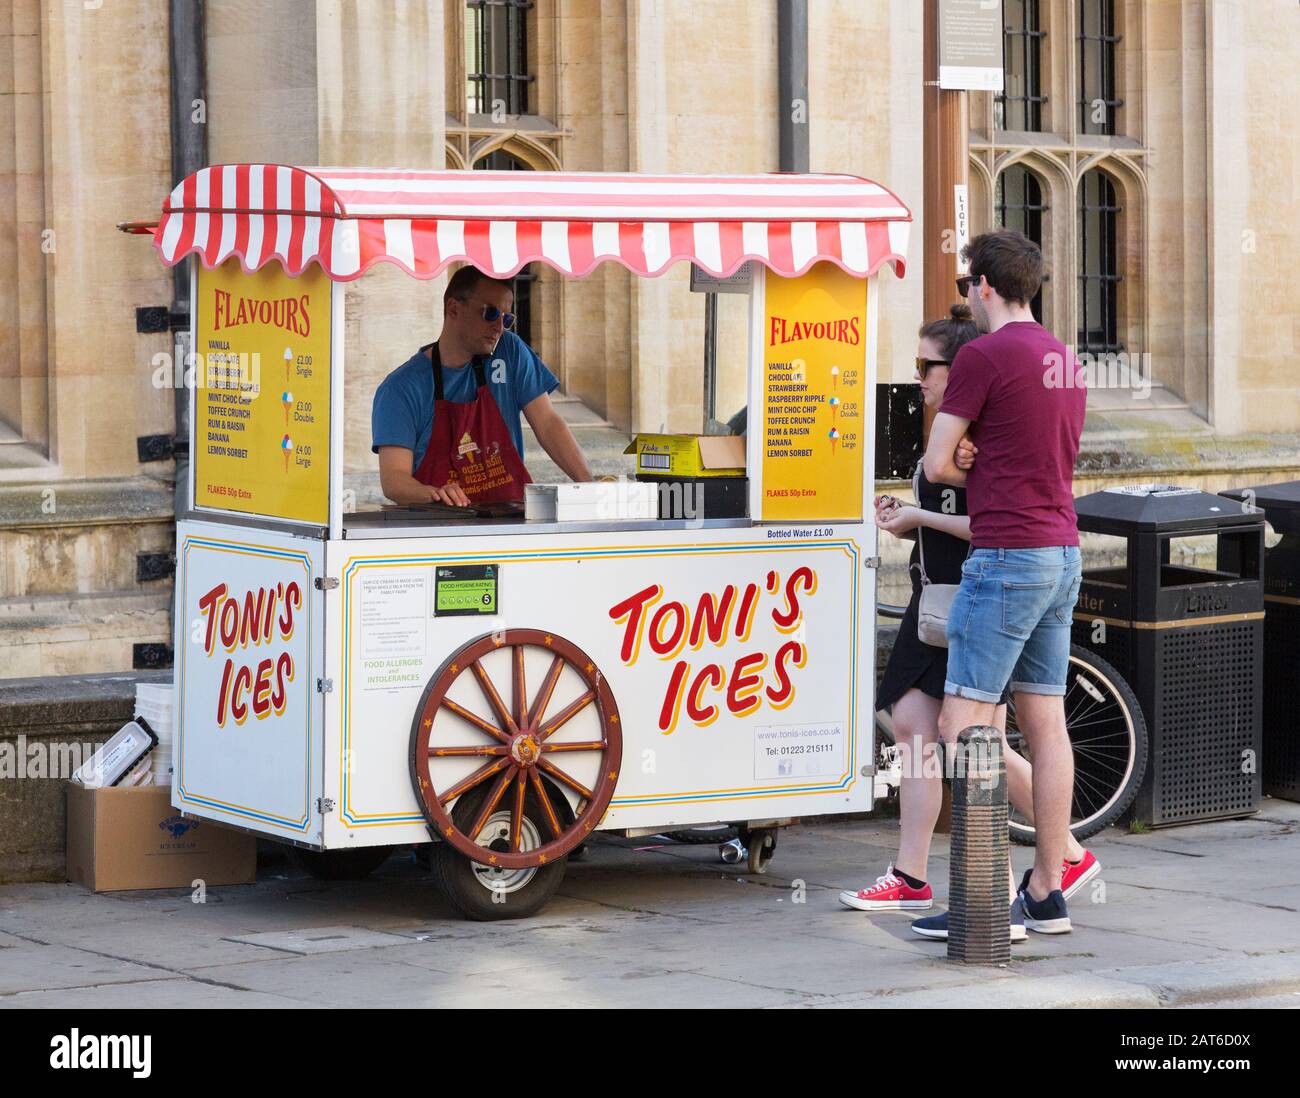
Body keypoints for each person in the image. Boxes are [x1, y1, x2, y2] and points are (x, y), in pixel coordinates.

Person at [838, 305, 1098, 941]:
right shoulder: (968, 423)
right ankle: (977, 880)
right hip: (953, 589)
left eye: (926, 365)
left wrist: (920, 517)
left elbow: (989, 516)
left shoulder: (983, 428)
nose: (917, 378)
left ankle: (1025, 876)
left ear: (961, 370)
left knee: (970, 731)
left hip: (978, 589)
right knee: (924, 725)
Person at [914, 229, 1088, 939]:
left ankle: (983, 901)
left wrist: (968, 460)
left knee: (962, 724)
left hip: (1006, 554)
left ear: (983, 285)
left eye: (967, 286)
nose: (968, 298)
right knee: (1046, 725)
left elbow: (937, 465)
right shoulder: (1066, 360)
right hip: (1061, 551)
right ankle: (1047, 891)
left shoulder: (983, 355)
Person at [372, 266, 592, 507]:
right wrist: (436, 494)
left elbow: (548, 423)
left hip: (509, 520)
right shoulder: (400, 389)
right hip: (437, 528)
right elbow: (394, 480)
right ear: (454, 309)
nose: (499, 327)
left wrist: (594, 491)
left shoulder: (510, 350)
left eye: (507, 318)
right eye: (490, 313)